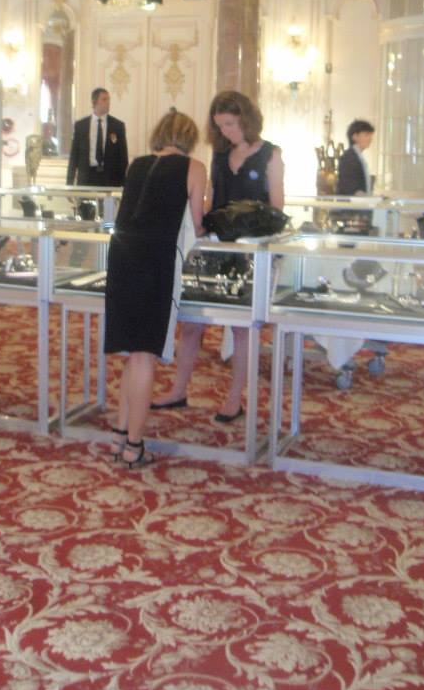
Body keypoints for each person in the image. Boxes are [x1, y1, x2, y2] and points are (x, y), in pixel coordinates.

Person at [153, 90, 285, 422]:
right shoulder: (219, 153)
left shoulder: (270, 155)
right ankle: (179, 389)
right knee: (191, 324)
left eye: (230, 124)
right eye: (220, 125)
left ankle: (234, 398)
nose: (226, 131)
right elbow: (212, 200)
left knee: (241, 328)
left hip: (249, 250)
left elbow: (277, 209)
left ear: (246, 119)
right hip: (215, 246)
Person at [104, 110, 206, 467]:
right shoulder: (195, 168)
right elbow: (198, 223)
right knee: (145, 354)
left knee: (133, 355)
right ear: (189, 138)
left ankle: (120, 436)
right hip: (155, 261)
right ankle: (134, 445)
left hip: (121, 257)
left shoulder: (137, 164)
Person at [67, 87, 128, 187]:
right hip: (86, 177)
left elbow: (123, 157)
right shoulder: (81, 125)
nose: (108, 102)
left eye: (108, 99)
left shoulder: (117, 126)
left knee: (108, 199)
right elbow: (74, 154)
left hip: (110, 178)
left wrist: (124, 183)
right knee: (86, 198)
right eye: (104, 99)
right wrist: (69, 182)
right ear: (94, 102)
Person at [337, 119, 375, 195]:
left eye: (371, 135)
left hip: (361, 201)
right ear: (355, 136)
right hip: (352, 202)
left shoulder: (358, 156)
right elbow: (350, 187)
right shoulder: (349, 158)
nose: (370, 139)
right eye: (366, 135)